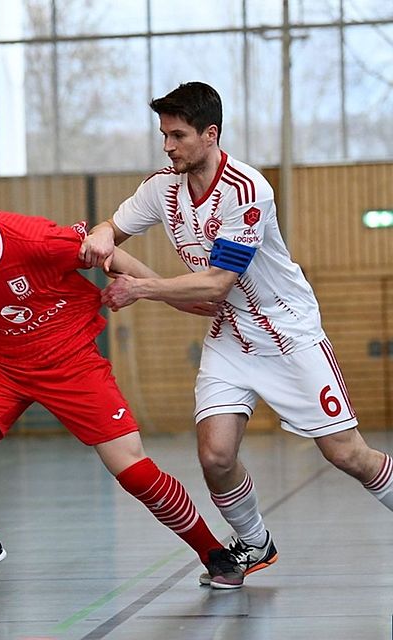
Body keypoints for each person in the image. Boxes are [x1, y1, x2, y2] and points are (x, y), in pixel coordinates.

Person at [78, 81, 393, 587]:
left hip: (288, 334)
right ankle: (255, 543)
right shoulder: (162, 186)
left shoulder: (247, 190)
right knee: (215, 455)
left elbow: (217, 282)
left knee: (346, 454)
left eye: (178, 135)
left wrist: (142, 289)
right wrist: (97, 236)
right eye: (163, 134)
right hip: (231, 336)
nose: (168, 145)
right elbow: (111, 228)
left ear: (211, 134)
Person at [0, 161, 244, 590]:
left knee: (133, 470)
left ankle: (213, 552)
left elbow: (109, 252)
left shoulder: (33, 240)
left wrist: (169, 293)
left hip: (69, 362)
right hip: (3, 362)